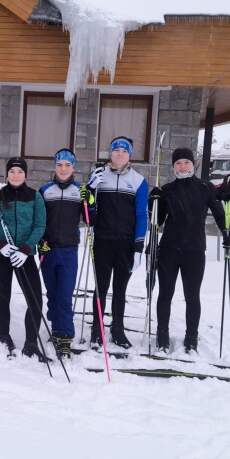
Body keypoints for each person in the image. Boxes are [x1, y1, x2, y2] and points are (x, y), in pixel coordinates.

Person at [149, 147, 230, 353]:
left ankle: (191, 336)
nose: (182, 166)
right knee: (165, 295)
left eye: (186, 162)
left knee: (192, 296)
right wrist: (153, 204)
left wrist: (227, 232)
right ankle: (162, 334)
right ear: (173, 166)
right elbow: (157, 221)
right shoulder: (167, 190)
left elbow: (219, 213)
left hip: (194, 250)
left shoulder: (205, 188)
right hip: (169, 250)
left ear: (192, 164)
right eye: (178, 163)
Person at [0, 157, 48, 361]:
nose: (16, 175)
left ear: (25, 174)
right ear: (7, 174)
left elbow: (40, 226)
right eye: (12, 171)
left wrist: (26, 249)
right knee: (3, 297)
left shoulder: (35, 197)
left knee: (35, 299)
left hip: (24, 255)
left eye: (20, 172)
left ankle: (31, 342)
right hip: (0, 255)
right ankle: (4, 337)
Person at [87, 136, 148, 349]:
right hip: (102, 241)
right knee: (101, 287)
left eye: (124, 151)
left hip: (126, 243)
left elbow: (142, 215)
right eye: (116, 150)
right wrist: (91, 188)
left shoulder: (139, 181)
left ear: (130, 155)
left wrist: (139, 245)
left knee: (120, 289)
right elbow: (88, 207)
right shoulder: (99, 175)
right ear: (110, 153)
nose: (120, 154)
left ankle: (118, 329)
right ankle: (97, 328)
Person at [38, 148, 96, 358]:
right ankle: (56, 328)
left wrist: (90, 202)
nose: (63, 169)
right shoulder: (45, 190)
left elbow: (91, 220)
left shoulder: (80, 191)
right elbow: (38, 220)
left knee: (64, 295)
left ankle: (65, 337)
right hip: (48, 249)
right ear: (54, 167)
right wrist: (40, 243)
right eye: (60, 165)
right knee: (52, 293)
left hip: (69, 250)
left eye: (68, 165)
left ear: (73, 167)